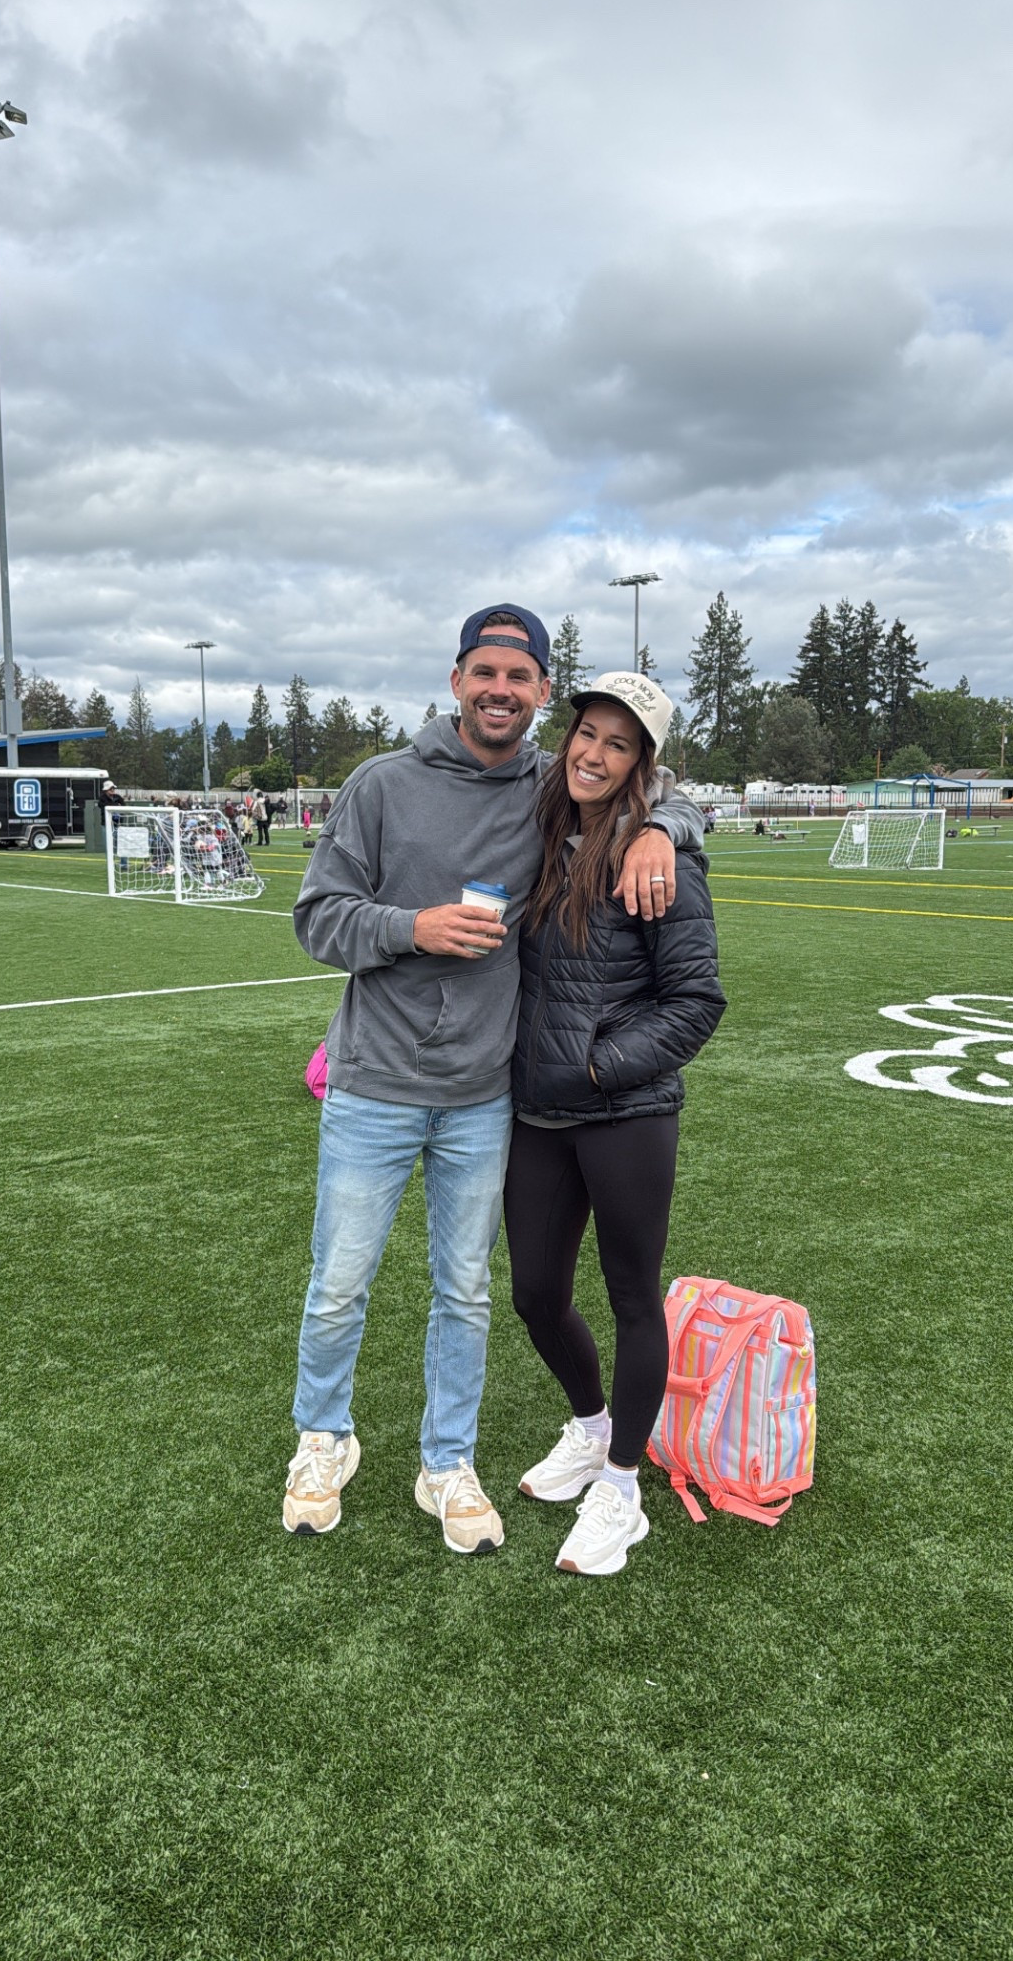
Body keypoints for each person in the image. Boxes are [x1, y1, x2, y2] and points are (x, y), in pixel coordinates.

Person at [285, 608, 704, 1556]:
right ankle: (323, 1441)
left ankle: (449, 1462)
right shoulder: (381, 785)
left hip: (485, 1097)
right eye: (486, 672)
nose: (501, 690)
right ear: (456, 678)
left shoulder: (549, 792)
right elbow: (317, 922)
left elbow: (655, 783)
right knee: (338, 1284)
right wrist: (410, 928)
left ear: (542, 692)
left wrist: (663, 832)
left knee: (466, 1292)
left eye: (521, 676)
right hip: (375, 1086)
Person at [504, 673, 726, 1575]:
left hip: (624, 1113)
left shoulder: (662, 854)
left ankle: (624, 1488)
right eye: (585, 734)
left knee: (635, 1298)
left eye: (618, 743)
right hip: (536, 1112)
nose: (593, 753)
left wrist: (600, 1065)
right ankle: (593, 1429)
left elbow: (697, 1003)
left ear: (645, 763)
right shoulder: (541, 827)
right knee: (534, 1294)